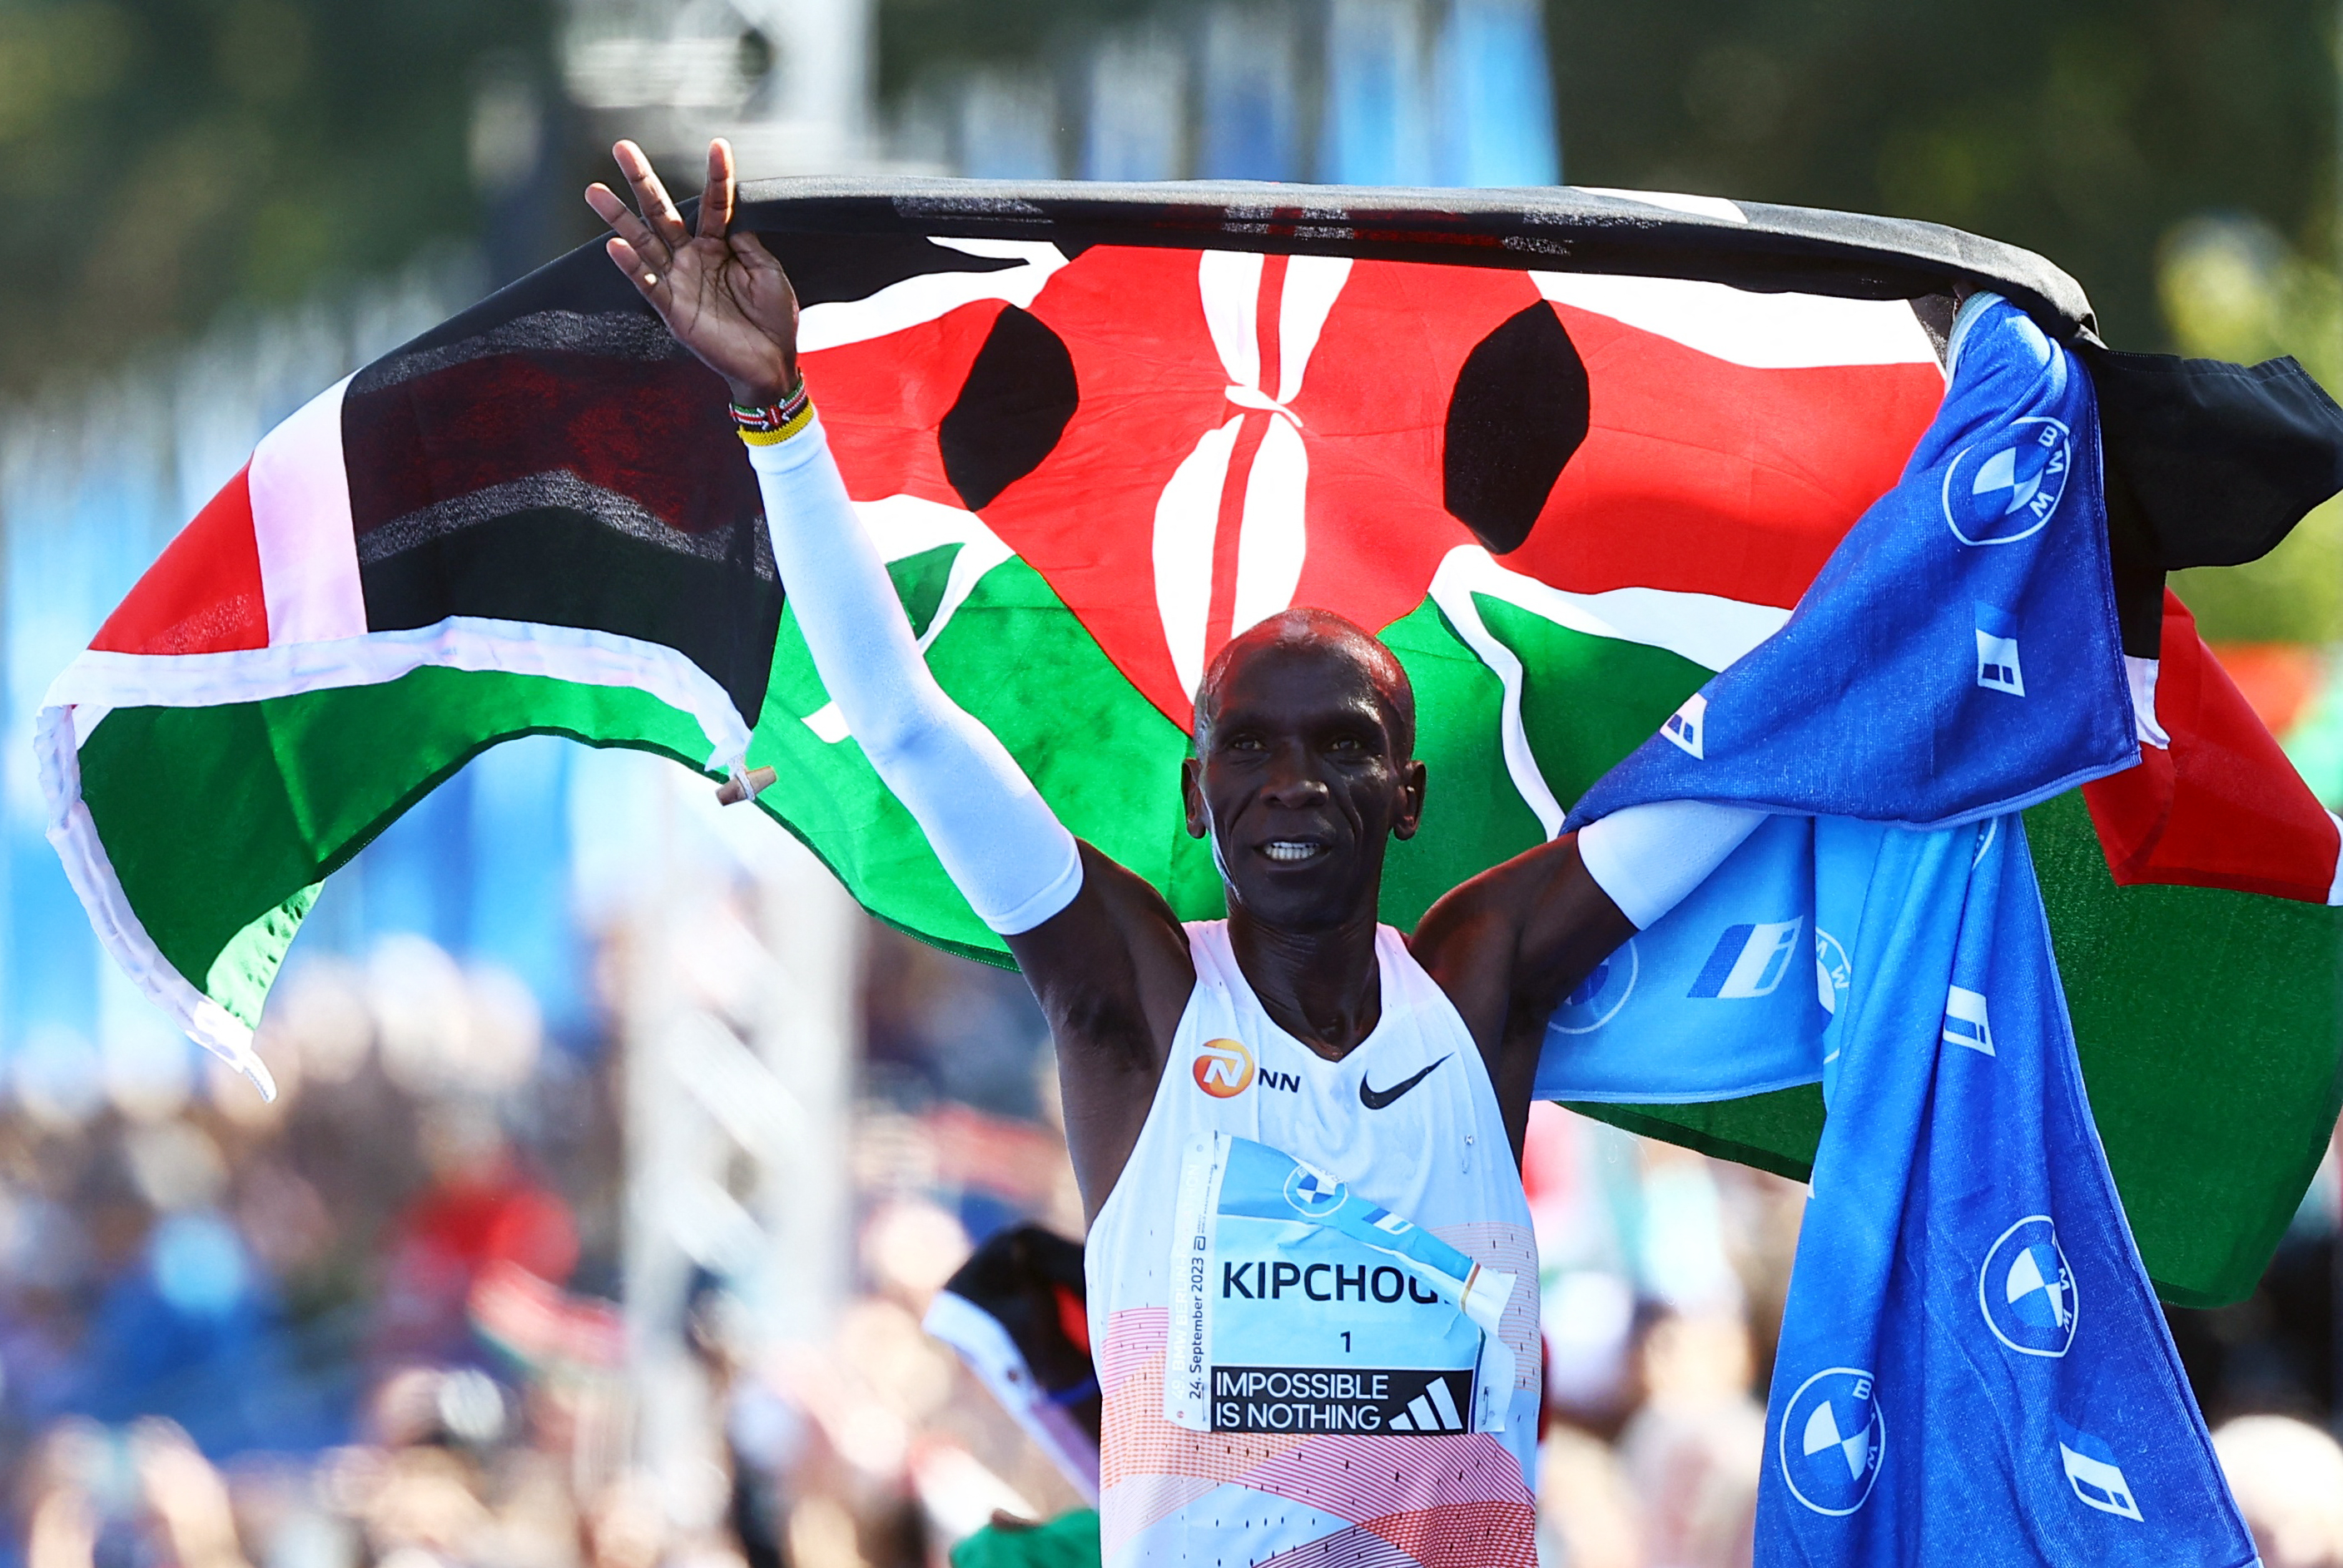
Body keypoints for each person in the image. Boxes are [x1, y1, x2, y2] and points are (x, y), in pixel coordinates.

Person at [585, 139, 1762, 1568]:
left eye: (1340, 747)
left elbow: (1750, 771)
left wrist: (1959, 545)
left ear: (1407, 794)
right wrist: (776, 407)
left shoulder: (1476, 986)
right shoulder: (1131, 999)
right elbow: (901, 724)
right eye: (1249, 752)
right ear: (1198, 803)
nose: (1292, 784)